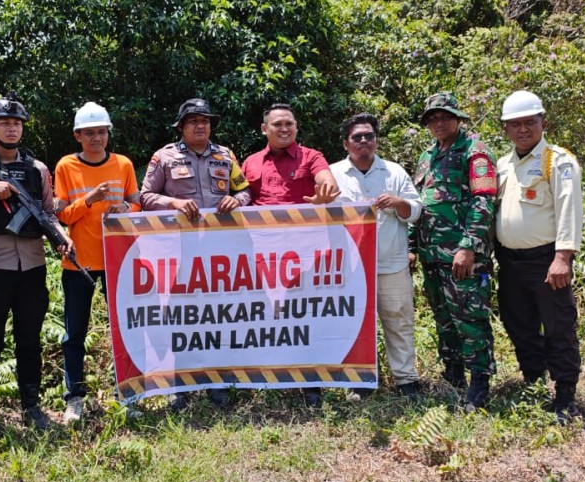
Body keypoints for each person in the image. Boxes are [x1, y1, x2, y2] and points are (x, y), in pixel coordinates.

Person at [0, 94, 71, 438]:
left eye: (17, 123)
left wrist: (61, 235)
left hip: (32, 266)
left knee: (29, 340)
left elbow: (48, 212)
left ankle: (31, 407)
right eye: (5, 123)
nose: (12, 128)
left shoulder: (38, 170)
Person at [140, 97, 251, 408]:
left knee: (217, 316)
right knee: (183, 317)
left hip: (220, 253)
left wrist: (237, 201)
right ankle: (182, 388)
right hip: (178, 252)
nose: (200, 125)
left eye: (205, 120)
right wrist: (173, 203)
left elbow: (244, 190)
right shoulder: (164, 157)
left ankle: (217, 383)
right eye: (193, 121)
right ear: (181, 127)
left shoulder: (225, 156)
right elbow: (145, 195)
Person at [241, 103, 339, 406]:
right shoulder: (250, 162)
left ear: (296, 127)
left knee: (303, 316)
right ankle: (265, 379)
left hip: (303, 256)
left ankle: (311, 384)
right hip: (263, 256)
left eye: (289, 124)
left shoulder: (312, 157)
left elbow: (327, 181)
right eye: (277, 124)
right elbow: (241, 197)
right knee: (264, 316)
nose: (284, 129)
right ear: (264, 129)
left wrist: (326, 191)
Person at [495, 90, 584, 424]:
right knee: (519, 325)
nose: (522, 130)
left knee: (559, 327)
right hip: (510, 262)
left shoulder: (557, 161)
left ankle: (565, 398)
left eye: (529, 122)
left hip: (546, 261)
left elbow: (569, 212)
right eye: (514, 124)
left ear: (543, 122)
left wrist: (563, 257)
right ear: (505, 128)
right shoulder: (503, 164)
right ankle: (533, 385)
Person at [53, 102, 141, 424]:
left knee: (124, 329)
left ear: (108, 134)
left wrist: (124, 212)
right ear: (78, 136)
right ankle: (74, 397)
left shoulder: (123, 164)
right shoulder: (66, 166)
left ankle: (128, 394)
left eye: (101, 132)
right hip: (79, 262)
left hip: (118, 260)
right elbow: (60, 214)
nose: (96, 138)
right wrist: (89, 199)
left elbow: (137, 203)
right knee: (75, 332)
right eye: (89, 133)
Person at [412, 92, 498, 411]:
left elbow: (484, 200)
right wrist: (411, 247)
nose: (438, 122)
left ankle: (479, 384)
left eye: (444, 116)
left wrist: (468, 247)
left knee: (471, 319)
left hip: (463, 257)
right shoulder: (427, 156)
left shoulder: (474, 152)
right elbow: (418, 205)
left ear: (457, 118)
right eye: (432, 118)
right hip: (431, 256)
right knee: (444, 320)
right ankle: (453, 378)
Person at [330, 114, 423, 400]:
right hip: (350, 268)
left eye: (369, 136)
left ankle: (406, 381)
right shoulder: (332, 174)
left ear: (376, 140)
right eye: (357, 137)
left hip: (390, 263)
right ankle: (359, 381)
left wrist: (398, 203)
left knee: (399, 320)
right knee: (353, 325)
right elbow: (321, 217)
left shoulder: (394, 172)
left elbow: (417, 210)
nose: (363, 141)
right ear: (346, 143)